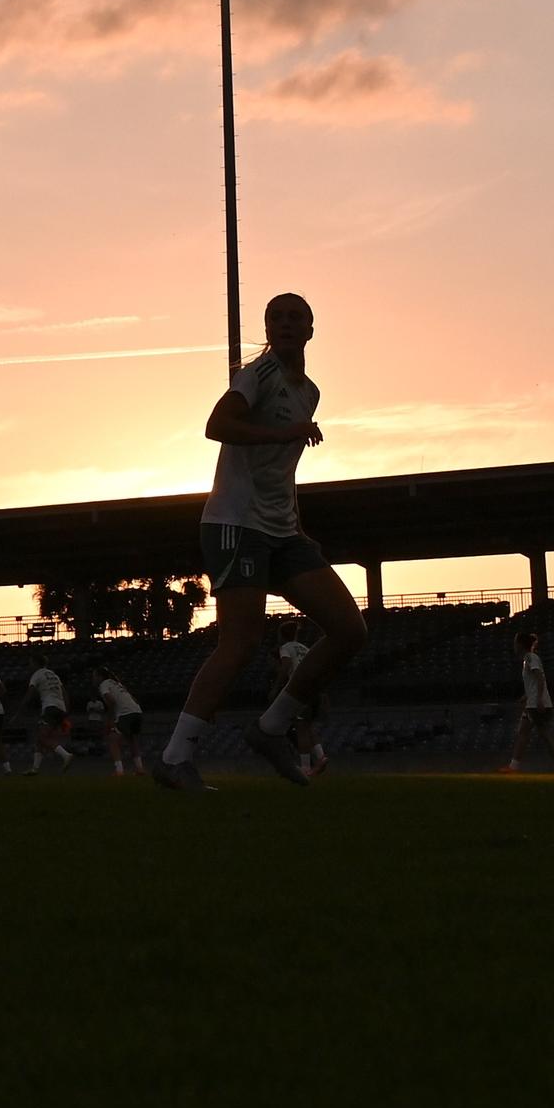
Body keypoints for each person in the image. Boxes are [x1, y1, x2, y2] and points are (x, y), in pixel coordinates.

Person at [148, 293, 364, 791]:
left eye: (295, 318)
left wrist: (294, 521)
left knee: (350, 630)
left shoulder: (309, 392)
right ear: (267, 329)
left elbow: (279, 472)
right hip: (235, 524)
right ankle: (175, 757)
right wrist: (284, 432)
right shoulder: (257, 375)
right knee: (240, 642)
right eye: (276, 318)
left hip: (282, 530)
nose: (285, 324)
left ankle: (270, 728)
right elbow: (216, 426)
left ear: (311, 330)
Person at [500, 630, 554, 772]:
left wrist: (539, 700)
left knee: (544, 735)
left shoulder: (531, 658)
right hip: (531, 703)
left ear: (520, 645)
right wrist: (526, 696)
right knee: (524, 733)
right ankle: (513, 767)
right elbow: (533, 682)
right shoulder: (527, 659)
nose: (513, 645)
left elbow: (540, 678)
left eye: (515, 642)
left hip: (536, 705)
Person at [272, 627, 326, 777]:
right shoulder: (304, 648)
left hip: (300, 688)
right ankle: (321, 757)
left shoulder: (285, 648)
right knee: (308, 726)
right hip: (313, 687)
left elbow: (286, 665)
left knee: (300, 729)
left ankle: (305, 768)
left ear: (282, 636)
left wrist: (276, 687)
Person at [24, 659, 71, 772]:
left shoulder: (37, 674)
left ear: (36, 664)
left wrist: (21, 708)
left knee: (42, 737)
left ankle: (66, 755)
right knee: (41, 738)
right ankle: (35, 768)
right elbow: (64, 692)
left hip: (50, 708)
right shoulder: (53, 675)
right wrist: (66, 710)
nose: (29, 666)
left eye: (30, 663)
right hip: (60, 708)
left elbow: (30, 692)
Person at [97, 669, 145, 775]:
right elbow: (134, 699)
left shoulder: (104, 684)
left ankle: (119, 771)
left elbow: (112, 701)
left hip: (125, 714)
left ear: (100, 677)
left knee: (112, 739)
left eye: (94, 676)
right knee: (132, 740)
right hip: (137, 711)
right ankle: (140, 769)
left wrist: (109, 720)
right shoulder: (118, 684)